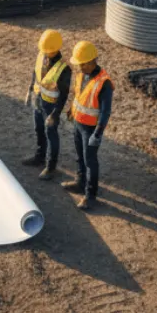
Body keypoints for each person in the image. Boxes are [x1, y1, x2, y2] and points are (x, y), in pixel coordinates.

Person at [64, 41, 113, 211]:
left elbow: (106, 112)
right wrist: (71, 109)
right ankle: (80, 182)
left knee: (90, 161)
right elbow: (79, 95)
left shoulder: (104, 83)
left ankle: (90, 195)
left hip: (91, 129)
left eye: (82, 64)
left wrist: (97, 134)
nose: (79, 68)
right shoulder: (81, 75)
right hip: (78, 123)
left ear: (92, 61)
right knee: (80, 155)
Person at [22, 28, 71, 180]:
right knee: (38, 129)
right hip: (38, 100)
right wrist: (30, 90)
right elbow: (35, 72)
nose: (45, 53)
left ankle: (51, 167)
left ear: (56, 49)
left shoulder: (64, 69)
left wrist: (55, 115)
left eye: (48, 51)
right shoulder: (41, 54)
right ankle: (39, 157)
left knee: (51, 134)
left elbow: (63, 95)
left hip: (51, 106)